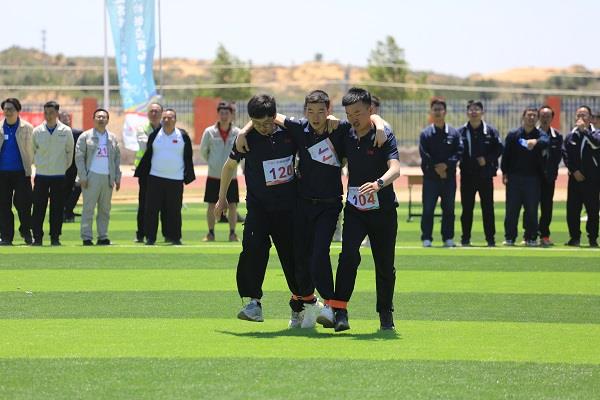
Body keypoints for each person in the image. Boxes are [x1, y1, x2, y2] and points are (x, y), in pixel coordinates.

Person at [215, 94, 318, 328]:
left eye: (267, 123)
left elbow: (313, 128)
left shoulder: (289, 133)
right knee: (252, 250)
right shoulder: (247, 138)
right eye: (256, 123)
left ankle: (300, 306)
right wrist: (221, 198)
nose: (262, 128)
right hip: (259, 208)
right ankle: (253, 303)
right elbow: (229, 166)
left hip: (289, 209)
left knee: (294, 259)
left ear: (275, 117)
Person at [325, 87, 401, 332]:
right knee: (348, 256)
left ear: (370, 110)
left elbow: (395, 169)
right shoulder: (346, 133)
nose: (353, 118)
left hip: (384, 210)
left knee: (385, 265)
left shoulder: (384, 135)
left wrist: (379, 183)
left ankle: (385, 313)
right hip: (355, 209)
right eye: (349, 114)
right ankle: (340, 311)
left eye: (358, 113)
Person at [134, 108, 195, 245]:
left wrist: (187, 176)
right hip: (155, 178)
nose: (167, 120)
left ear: (175, 120)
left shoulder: (182, 136)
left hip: (176, 179)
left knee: (174, 210)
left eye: (170, 118)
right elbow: (148, 155)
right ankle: (150, 237)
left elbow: (188, 157)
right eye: (164, 118)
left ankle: (175, 237)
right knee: (151, 210)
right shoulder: (155, 135)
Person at [500, 107, 549, 247]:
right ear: (523, 117)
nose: (531, 118)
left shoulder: (540, 135)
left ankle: (531, 237)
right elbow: (506, 155)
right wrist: (505, 173)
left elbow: (546, 141)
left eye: (534, 116)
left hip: (533, 179)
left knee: (532, 210)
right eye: (529, 115)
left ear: (537, 118)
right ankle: (510, 237)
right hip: (514, 178)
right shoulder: (513, 135)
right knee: (512, 209)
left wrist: (535, 142)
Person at [457, 100, 503, 247]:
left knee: (488, 208)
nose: (474, 112)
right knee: (467, 209)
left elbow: (499, 149)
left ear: (482, 112)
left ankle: (490, 239)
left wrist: (487, 160)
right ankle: (465, 239)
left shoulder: (491, 131)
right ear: (467, 112)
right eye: (471, 109)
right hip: (467, 176)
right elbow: (455, 151)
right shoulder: (460, 132)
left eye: (477, 109)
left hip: (485, 175)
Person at [419, 98, 463, 248]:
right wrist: (437, 168)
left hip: (448, 179)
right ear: (431, 112)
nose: (438, 112)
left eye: (440, 109)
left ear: (445, 112)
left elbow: (459, 152)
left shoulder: (454, 133)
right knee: (428, 209)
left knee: (449, 209)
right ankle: (427, 238)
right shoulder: (425, 134)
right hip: (430, 179)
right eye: (435, 109)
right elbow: (424, 154)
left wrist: (446, 166)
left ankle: (448, 238)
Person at [75, 108, 121, 246]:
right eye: (98, 117)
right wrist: (83, 176)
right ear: (93, 119)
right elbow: (79, 157)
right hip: (91, 177)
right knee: (88, 209)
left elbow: (116, 159)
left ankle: (103, 236)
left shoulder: (112, 138)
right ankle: (86, 237)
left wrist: (117, 177)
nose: (101, 119)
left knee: (105, 210)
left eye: (104, 117)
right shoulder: (85, 136)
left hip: (107, 177)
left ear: (107, 120)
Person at [31, 101, 74, 246]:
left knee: (57, 208)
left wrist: (62, 168)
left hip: (59, 176)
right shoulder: (37, 131)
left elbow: (69, 152)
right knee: (38, 208)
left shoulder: (66, 131)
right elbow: (32, 151)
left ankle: (55, 237)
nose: (48, 115)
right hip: (41, 175)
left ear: (57, 113)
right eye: (46, 113)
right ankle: (37, 237)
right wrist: (39, 165)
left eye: (51, 113)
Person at [199, 101, 240, 242]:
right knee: (211, 204)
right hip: (214, 175)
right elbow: (203, 151)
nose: (224, 116)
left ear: (231, 115)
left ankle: (233, 233)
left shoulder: (237, 132)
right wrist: (213, 162)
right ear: (218, 114)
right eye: (222, 113)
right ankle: (210, 233)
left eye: (227, 113)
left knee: (233, 205)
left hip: (231, 177)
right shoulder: (209, 132)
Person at [562, 105, 600, 247]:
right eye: (578, 115)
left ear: (590, 118)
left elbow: (596, 144)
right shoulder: (571, 136)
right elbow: (566, 155)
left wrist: (585, 131)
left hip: (592, 180)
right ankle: (574, 238)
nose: (581, 118)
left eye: (584, 115)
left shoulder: (596, 134)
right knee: (572, 210)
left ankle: (592, 238)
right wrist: (574, 171)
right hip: (575, 179)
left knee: (593, 210)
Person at [0, 98, 34, 245]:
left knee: (24, 205)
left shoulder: (28, 128)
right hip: (2, 174)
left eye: (11, 109)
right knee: (3, 206)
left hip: (22, 173)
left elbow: (34, 150)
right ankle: (6, 236)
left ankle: (26, 231)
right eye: (5, 109)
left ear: (18, 110)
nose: (7, 112)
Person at [134, 102, 167, 243]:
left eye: (157, 111)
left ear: (162, 114)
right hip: (146, 171)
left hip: (163, 170)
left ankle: (167, 233)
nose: (154, 114)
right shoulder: (142, 128)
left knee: (165, 204)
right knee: (144, 204)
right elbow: (145, 144)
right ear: (147, 114)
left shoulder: (167, 129)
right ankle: (141, 233)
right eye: (151, 111)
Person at [536, 105, 563, 247]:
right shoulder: (531, 133)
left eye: (548, 116)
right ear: (538, 117)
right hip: (533, 177)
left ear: (552, 118)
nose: (545, 119)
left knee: (547, 208)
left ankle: (544, 235)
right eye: (542, 116)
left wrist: (550, 171)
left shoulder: (557, 136)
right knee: (530, 207)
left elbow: (557, 157)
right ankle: (529, 235)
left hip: (549, 178)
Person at [59, 110, 83, 223]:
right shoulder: (54, 133)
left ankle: (68, 210)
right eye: (63, 117)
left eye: (67, 117)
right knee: (61, 190)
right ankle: (64, 212)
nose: (66, 119)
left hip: (73, 167)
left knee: (76, 188)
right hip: (59, 167)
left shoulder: (77, 133)